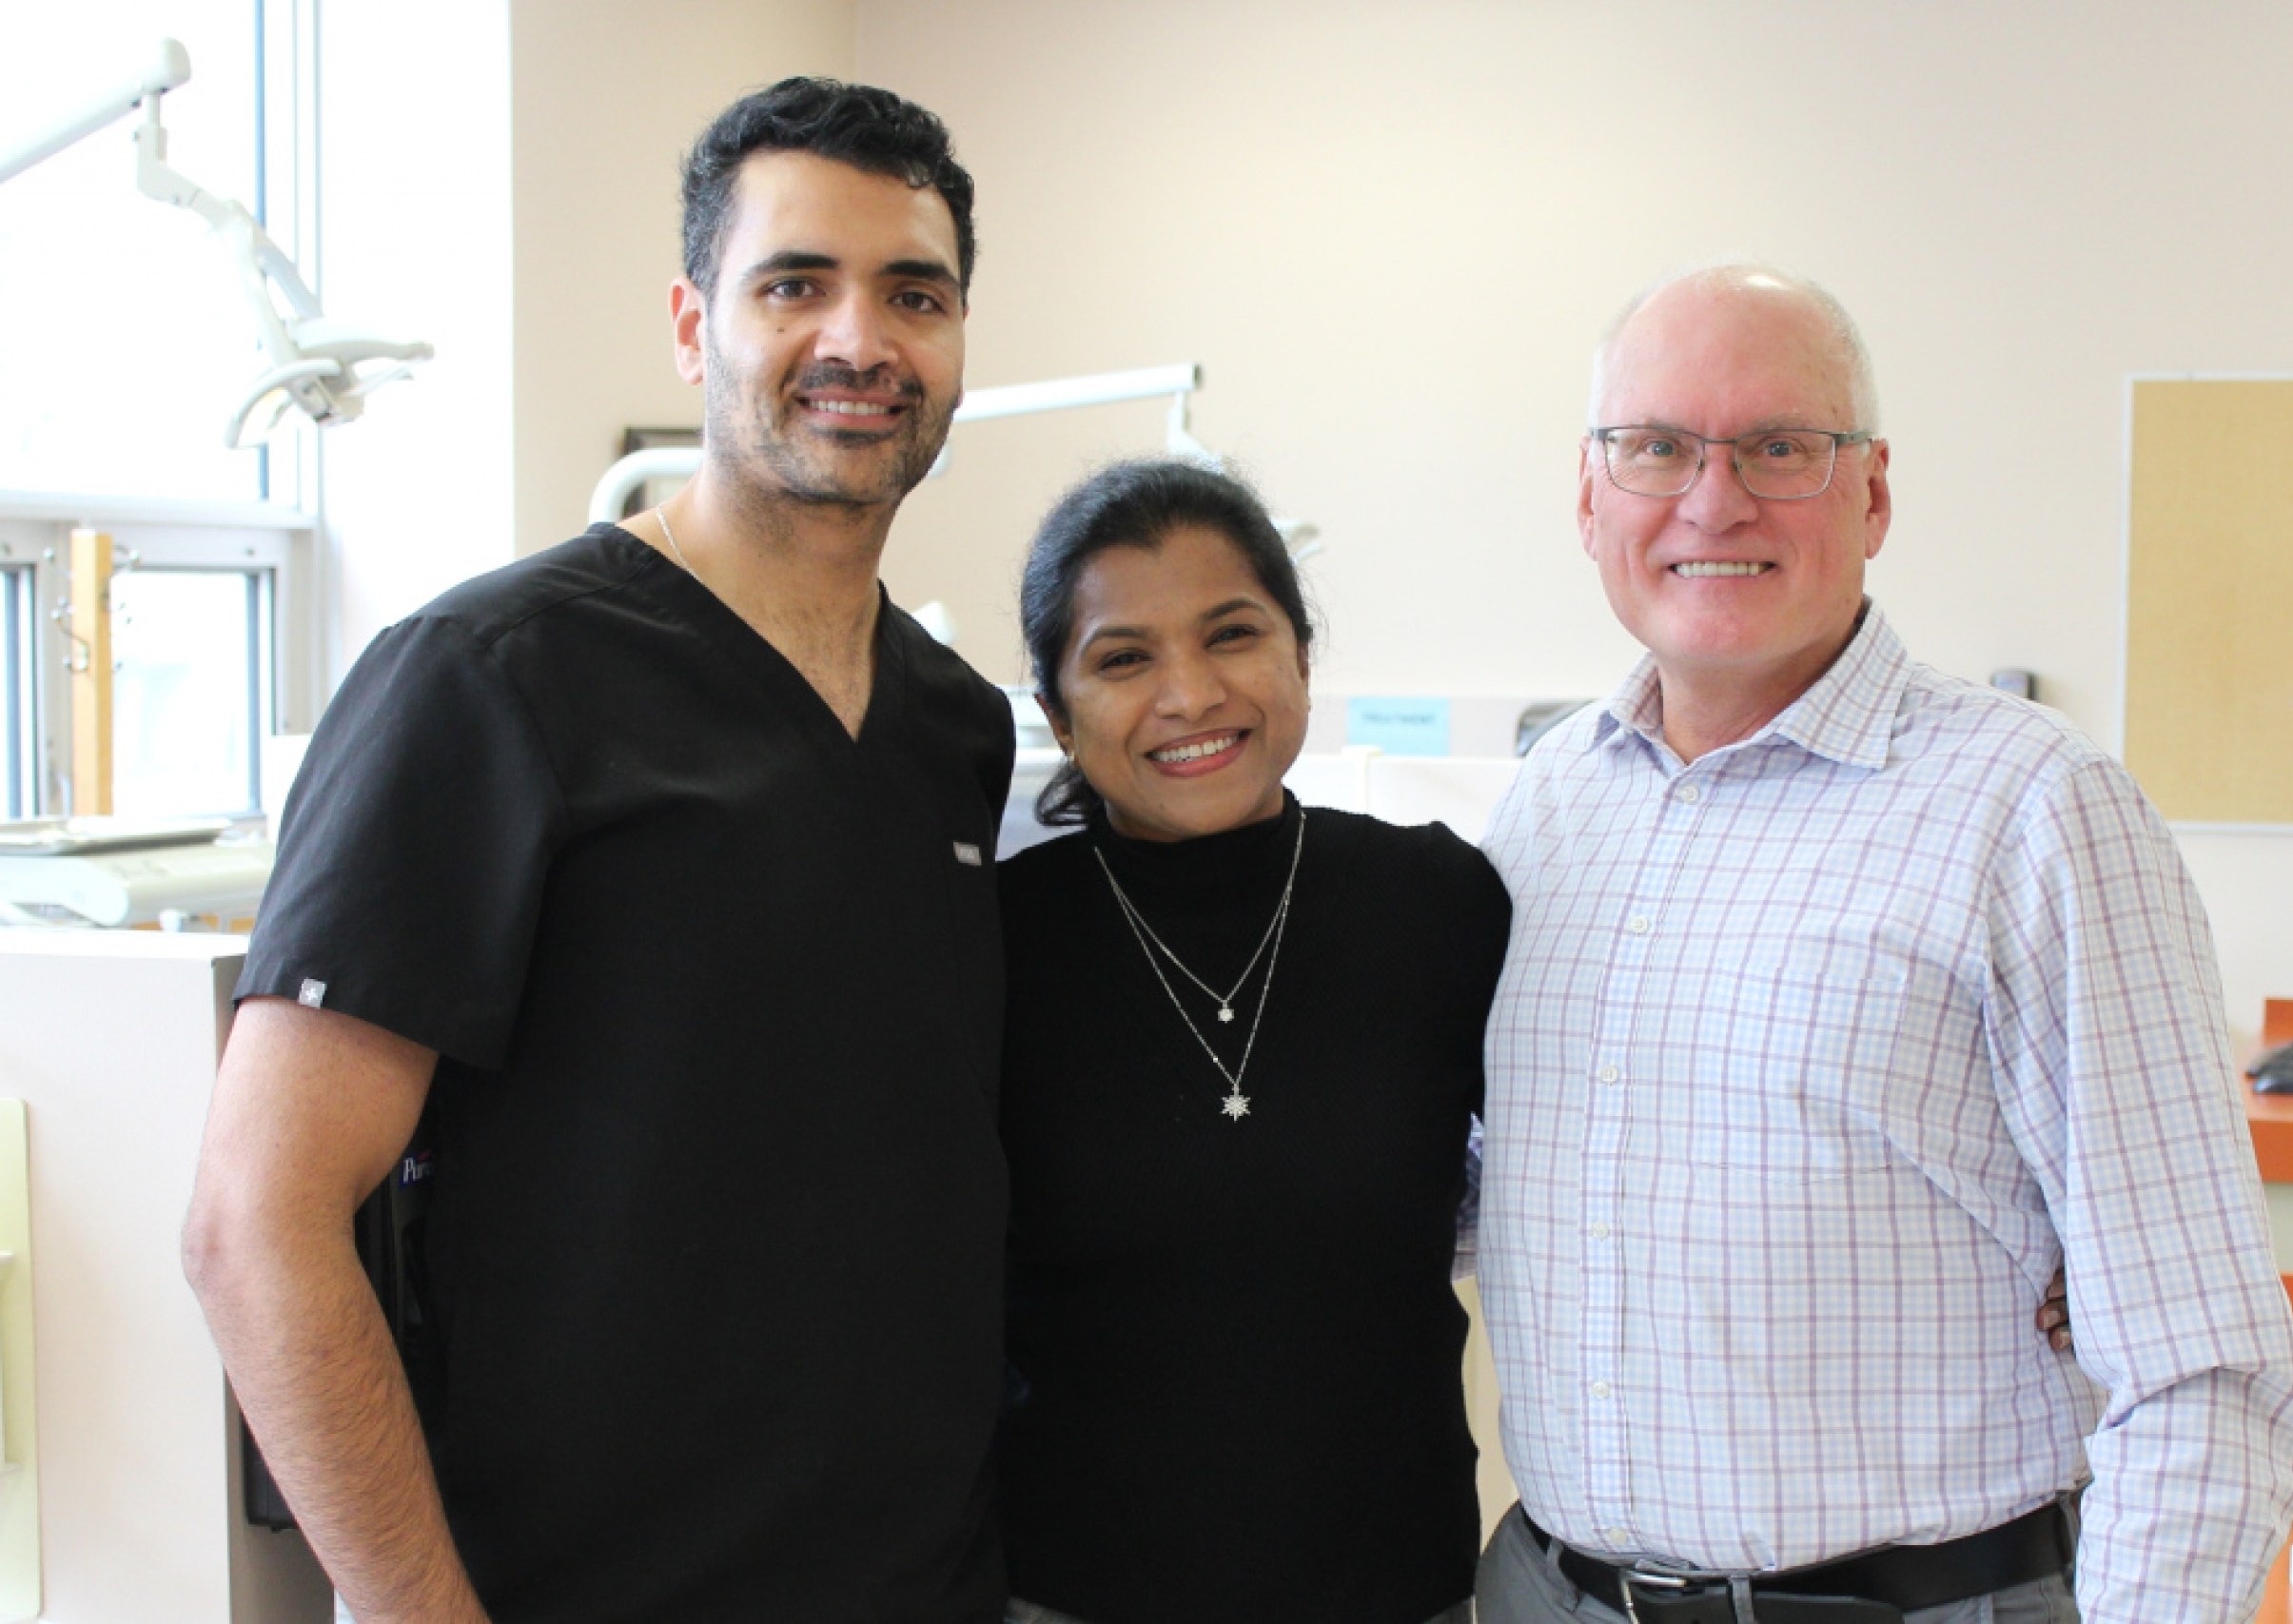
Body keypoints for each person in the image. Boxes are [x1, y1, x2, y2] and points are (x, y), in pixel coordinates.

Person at [181, 79, 1012, 1624]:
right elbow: (256, 1219)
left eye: (916, 293)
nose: (861, 339)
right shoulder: (491, 679)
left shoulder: (954, 726)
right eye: (794, 284)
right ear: (696, 327)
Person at [1474, 263, 2293, 1623]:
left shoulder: (2035, 810)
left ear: (1870, 493)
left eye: (1780, 447)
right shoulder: (1549, 801)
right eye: (1657, 446)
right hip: (1551, 1590)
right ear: (1589, 495)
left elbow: (2204, 1366)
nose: (1712, 496)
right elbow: (1500, 1182)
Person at [994, 459, 1508, 1624]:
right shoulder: (993, 948)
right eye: (1123, 658)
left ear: (1300, 657)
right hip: (1074, 1595)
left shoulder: (1437, 904)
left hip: (1395, 1592)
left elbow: (1607, 1150)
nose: (1188, 694)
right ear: (1058, 713)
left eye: (1232, 634)